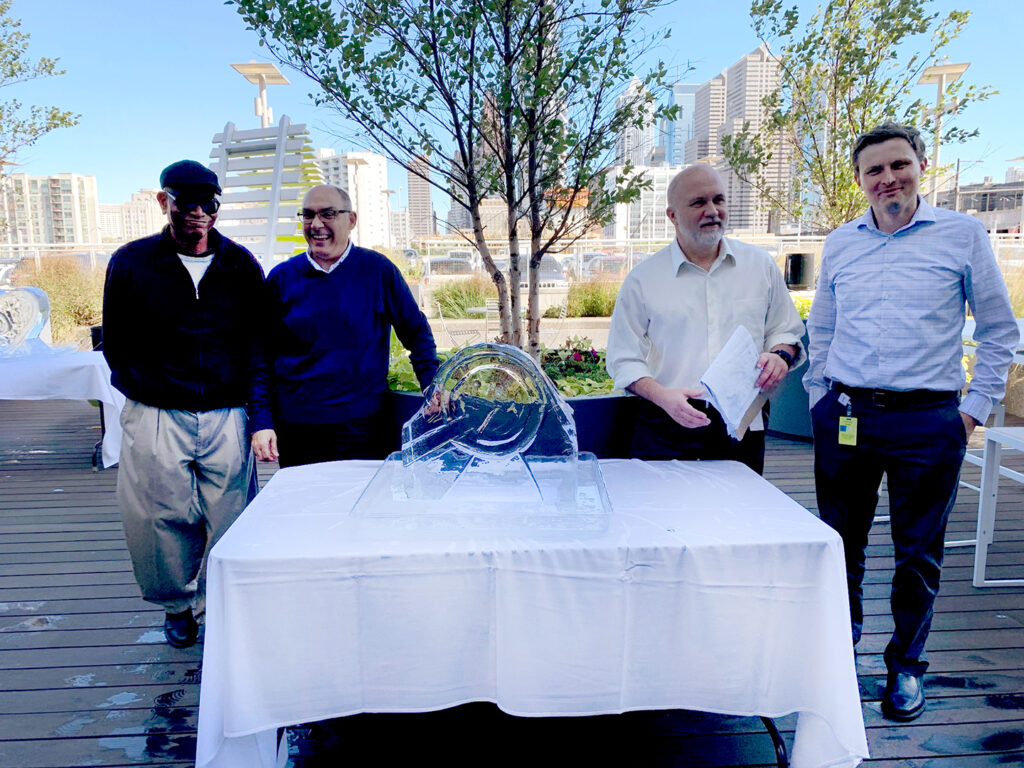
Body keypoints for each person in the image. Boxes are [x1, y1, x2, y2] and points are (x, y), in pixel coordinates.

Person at [804, 122, 1019, 721]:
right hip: (847, 418)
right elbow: (822, 328)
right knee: (839, 543)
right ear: (860, 180)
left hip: (929, 422)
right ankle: (839, 653)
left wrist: (972, 412)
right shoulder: (841, 243)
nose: (888, 178)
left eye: (899, 164)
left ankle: (904, 666)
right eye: (874, 170)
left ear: (922, 165)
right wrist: (820, 398)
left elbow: (1001, 332)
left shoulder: (963, 234)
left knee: (917, 554)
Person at [103, 160, 265, 649]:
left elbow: (257, 345)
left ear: (218, 207)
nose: (197, 211)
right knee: (157, 515)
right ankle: (176, 605)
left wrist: (256, 413)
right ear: (163, 202)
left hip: (227, 411)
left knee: (233, 513)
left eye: (207, 202)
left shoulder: (241, 265)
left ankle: (222, 607)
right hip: (156, 410)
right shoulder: (130, 262)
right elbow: (116, 341)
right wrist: (144, 386)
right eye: (184, 200)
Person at [605, 165, 805, 473]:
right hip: (665, 420)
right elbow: (622, 359)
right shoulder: (643, 279)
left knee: (739, 516)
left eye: (719, 200)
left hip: (742, 422)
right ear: (672, 215)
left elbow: (785, 331)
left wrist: (780, 356)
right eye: (699, 202)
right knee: (666, 517)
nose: (712, 210)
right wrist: (664, 398)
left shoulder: (760, 265)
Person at [250, 184, 438, 467]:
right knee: (304, 509)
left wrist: (432, 385)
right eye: (308, 215)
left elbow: (416, 333)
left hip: (365, 428)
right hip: (296, 429)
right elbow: (259, 356)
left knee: (362, 508)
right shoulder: (281, 278)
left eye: (327, 214)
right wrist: (261, 421)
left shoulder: (378, 271)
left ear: (351, 220)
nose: (316, 225)